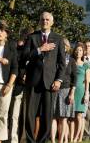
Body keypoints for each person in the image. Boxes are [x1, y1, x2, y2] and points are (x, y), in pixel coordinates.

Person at [23, 12, 66, 143]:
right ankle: (30, 140)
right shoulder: (32, 37)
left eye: (47, 19)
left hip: (50, 82)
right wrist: (39, 49)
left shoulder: (58, 39)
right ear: (39, 22)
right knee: (30, 115)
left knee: (47, 115)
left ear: (52, 22)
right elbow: (24, 56)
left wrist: (59, 80)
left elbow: (62, 62)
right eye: (42, 19)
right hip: (33, 81)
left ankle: (43, 141)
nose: (45, 21)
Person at [51, 38, 77, 143]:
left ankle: (61, 141)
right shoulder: (53, 59)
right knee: (53, 118)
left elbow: (75, 78)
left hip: (66, 90)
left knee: (63, 118)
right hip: (53, 90)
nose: (63, 47)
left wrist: (72, 93)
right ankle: (53, 141)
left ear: (67, 47)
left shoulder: (71, 61)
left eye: (65, 45)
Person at [71, 43, 90, 142]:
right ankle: (70, 137)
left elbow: (87, 81)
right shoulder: (70, 62)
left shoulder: (85, 65)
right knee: (71, 116)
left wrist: (86, 93)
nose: (77, 52)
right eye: (76, 50)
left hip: (80, 90)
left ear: (83, 52)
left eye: (80, 50)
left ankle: (76, 138)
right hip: (70, 89)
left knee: (79, 116)